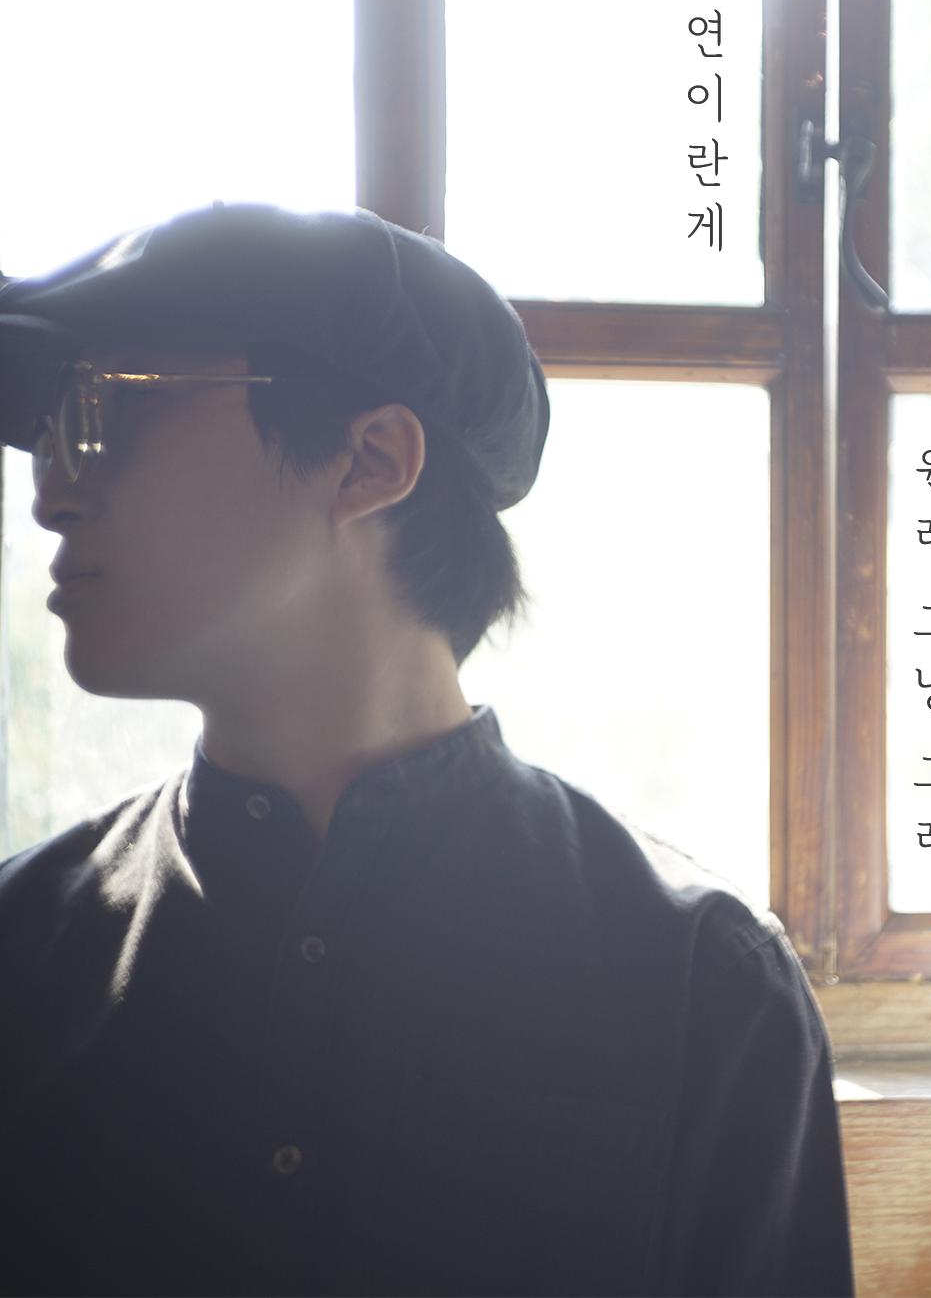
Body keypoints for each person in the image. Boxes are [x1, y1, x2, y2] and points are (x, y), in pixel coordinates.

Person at [0, 204, 854, 1298]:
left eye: (108, 406)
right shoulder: (23, 952)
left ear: (369, 460)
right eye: (50, 431)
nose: (51, 491)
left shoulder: (702, 988)